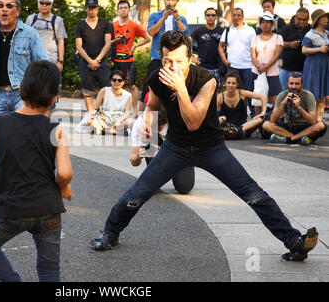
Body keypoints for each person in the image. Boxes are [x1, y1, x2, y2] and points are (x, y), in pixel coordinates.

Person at [90, 31, 319, 263]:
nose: (173, 67)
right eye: (168, 61)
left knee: (253, 194)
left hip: (211, 148)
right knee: (137, 194)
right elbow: (152, 107)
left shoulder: (206, 80)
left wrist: (180, 88)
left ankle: (294, 241)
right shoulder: (157, 76)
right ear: (161, 57)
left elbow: (193, 122)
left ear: (190, 58)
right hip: (175, 147)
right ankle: (110, 232)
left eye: (179, 61)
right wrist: (147, 126)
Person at [0, 60, 72, 282]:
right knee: (49, 268)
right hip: (48, 209)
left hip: (10, 209)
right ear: (55, 98)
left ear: (20, 89)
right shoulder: (57, 129)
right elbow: (64, 173)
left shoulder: (0, 123)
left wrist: (4, 170)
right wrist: (64, 187)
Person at [139, 0, 189, 112]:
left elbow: (184, 32)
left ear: (176, 2)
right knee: (149, 84)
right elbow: (151, 32)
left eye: (172, 0)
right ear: (164, 1)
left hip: (174, 59)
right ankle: (140, 114)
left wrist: (176, 18)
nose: (170, 2)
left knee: (173, 85)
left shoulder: (181, 18)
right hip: (157, 56)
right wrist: (163, 18)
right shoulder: (155, 16)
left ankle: (170, 113)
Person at [130, 105, 195, 195]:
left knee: (184, 187)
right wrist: (140, 155)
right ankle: (156, 174)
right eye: (151, 128)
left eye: (157, 128)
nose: (153, 131)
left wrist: (165, 153)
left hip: (179, 151)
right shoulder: (140, 124)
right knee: (151, 186)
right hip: (156, 149)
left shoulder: (177, 119)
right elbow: (134, 162)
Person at [25, 0, 67, 117]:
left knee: (50, 90)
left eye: (47, 3)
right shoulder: (30, 19)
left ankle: (46, 120)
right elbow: (25, 39)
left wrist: (60, 61)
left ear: (51, 5)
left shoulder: (57, 20)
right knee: (33, 89)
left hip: (51, 61)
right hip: (33, 62)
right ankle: (33, 116)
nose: (44, 5)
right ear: (38, 4)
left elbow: (61, 41)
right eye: (41, 3)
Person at [262, 72, 326, 145]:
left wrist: (299, 107)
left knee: (320, 125)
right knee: (266, 124)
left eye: (297, 84)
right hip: (287, 127)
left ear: (302, 84)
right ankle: (300, 139)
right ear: (287, 83)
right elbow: (273, 119)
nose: (293, 86)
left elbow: (313, 121)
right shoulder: (282, 95)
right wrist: (283, 103)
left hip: (304, 127)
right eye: (291, 83)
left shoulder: (308, 95)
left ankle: (290, 139)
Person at [111, 0, 151, 113]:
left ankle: (134, 110)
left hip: (129, 60)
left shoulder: (134, 25)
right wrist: (116, 40)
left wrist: (135, 45)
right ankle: (117, 109)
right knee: (116, 85)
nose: (123, 9)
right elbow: (107, 41)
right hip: (116, 60)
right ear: (118, 11)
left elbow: (147, 38)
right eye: (121, 8)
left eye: (125, 7)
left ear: (129, 10)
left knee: (132, 86)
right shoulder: (113, 25)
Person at [75, 0, 113, 112]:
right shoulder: (80, 25)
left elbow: (108, 44)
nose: (92, 10)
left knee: (107, 90)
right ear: (86, 9)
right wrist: (90, 61)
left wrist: (97, 60)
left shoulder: (106, 24)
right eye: (90, 8)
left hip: (102, 62)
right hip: (85, 62)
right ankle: (90, 116)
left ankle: (105, 116)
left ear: (98, 8)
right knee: (87, 91)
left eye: (94, 8)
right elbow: (79, 47)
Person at [218, 8, 256, 114]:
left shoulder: (250, 30)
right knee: (232, 92)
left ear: (243, 17)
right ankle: (235, 116)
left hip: (247, 66)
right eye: (234, 15)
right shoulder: (227, 30)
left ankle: (254, 116)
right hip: (232, 66)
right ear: (231, 17)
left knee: (249, 92)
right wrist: (224, 60)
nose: (236, 17)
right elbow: (220, 46)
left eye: (239, 15)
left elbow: (254, 48)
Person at [76, 70, 134, 135]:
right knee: (91, 121)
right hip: (104, 118)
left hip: (119, 119)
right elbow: (95, 107)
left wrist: (119, 121)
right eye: (114, 80)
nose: (116, 82)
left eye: (119, 80)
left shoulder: (128, 95)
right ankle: (112, 131)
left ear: (123, 82)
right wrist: (93, 115)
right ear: (110, 81)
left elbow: (127, 113)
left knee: (131, 121)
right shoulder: (104, 90)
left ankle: (106, 130)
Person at [249, 11, 284, 114]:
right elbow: (253, 55)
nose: (265, 24)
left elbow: (276, 55)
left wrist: (265, 67)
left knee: (275, 99)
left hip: (272, 72)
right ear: (260, 24)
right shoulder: (254, 38)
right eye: (263, 22)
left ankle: (277, 122)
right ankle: (258, 124)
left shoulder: (278, 38)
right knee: (257, 99)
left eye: (268, 22)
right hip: (257, 72)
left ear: (272, 24)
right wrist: (259, 66)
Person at [217, 71, 266, 140]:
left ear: (237, 84)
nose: (231, 85)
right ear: (225, 83)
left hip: (243, 126)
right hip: (226, 127)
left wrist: (263, 112)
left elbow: (262, 97)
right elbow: (210, 112)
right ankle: (237, 133)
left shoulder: (242, 93)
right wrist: (218, 118)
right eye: (229, 83)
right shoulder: (220, 97)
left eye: (233, 83)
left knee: (259, 120)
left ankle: (237, 132)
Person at [302, 9, 329, 122]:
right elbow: (303, 50)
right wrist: (320, 49)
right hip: (313, 67)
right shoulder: (310, 34)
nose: (326, 19)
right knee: (312, 96)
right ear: (317, 20)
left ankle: (318, 122)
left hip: (324, 65)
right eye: (323, 17)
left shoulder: (327, 33)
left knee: (322, 96)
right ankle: (310, 122)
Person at [190, 7, 224, 88]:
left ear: (216, 17)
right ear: (205, 17)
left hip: (217, 68)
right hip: (202, 67)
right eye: (208, 15)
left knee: (217, 91)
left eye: (213, 15)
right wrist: (191, 57)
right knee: (201, 90)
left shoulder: (222, 31)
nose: (210, 17)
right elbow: (186, 43)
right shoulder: (199, 31)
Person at [279, 8, 311, 90]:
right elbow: (277, 44)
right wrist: (290, 44)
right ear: (295, 18)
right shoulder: (287, 29)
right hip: (287, 69)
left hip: (305, 70)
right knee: (284, 94)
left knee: (304, 96)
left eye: (304, 20)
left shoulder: (311, 30)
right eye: (299, 19)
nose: (301, 22)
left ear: (308, 19)